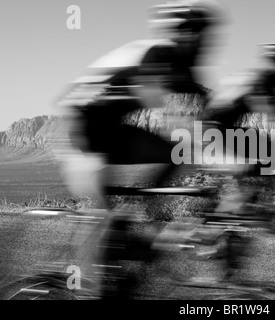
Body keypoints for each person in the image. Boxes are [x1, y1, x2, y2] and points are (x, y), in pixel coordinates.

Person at [54, 0, 225, 298]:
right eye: (198, 35)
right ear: (184, 34)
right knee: (108, 228)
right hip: (84, 128)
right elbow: (164, 106)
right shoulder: (159, 53)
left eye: (206, 36)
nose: (204, 44)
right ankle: (96, 282)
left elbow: (206, 115)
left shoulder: (179, 65)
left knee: (178, 153)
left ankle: (129, 228)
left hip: (109, 128)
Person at [198, 43, 275, 280]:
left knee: (268, 154)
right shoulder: (261, 82)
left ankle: (230, 233)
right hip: (213, 133)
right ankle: (209, 233)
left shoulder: (262, 81)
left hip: (224, 131)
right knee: (250, 167)